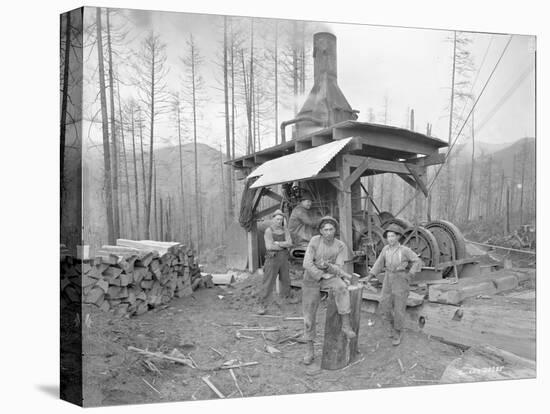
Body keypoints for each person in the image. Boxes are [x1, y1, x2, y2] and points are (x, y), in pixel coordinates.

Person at [301, 216, 355, 365]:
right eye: (325, 229)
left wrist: (328, 267)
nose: (329, 232)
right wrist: (320, 273)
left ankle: (345, 325)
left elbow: (339, 267)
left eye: (331, 229)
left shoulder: (340, 246)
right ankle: (309, 350)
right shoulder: (314, 241)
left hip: (329, 276)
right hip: (311, 278)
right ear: (320, 231)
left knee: (342, 287)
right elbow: (307, 263)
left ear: (335, 230)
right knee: (308, 317)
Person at [364, 224, 423, 346]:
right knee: (384, 304)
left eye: (392, 236)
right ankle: (392, 326)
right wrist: (369, 277)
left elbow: (417, 261)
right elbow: (379, 264)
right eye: (388, 236)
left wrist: (411, 273)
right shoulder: (385, 249)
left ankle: (397, 332)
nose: (390, 239)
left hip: (400, 279)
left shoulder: (404, 250)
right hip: (388, 278)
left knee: (399, 308)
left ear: (398, 237)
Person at [257, 210, 295, 315]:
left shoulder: (285, 230)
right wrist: (284, 245)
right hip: (272, 259)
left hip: (283, 258)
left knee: (286, 279)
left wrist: (278, 243)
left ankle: (286, 298)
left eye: (281, 220)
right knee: (268, 282)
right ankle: (262, 304)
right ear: (273, 219)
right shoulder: (269, 231)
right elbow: (269, 246)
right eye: (277, 219)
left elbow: (290, 243)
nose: (279, 221)